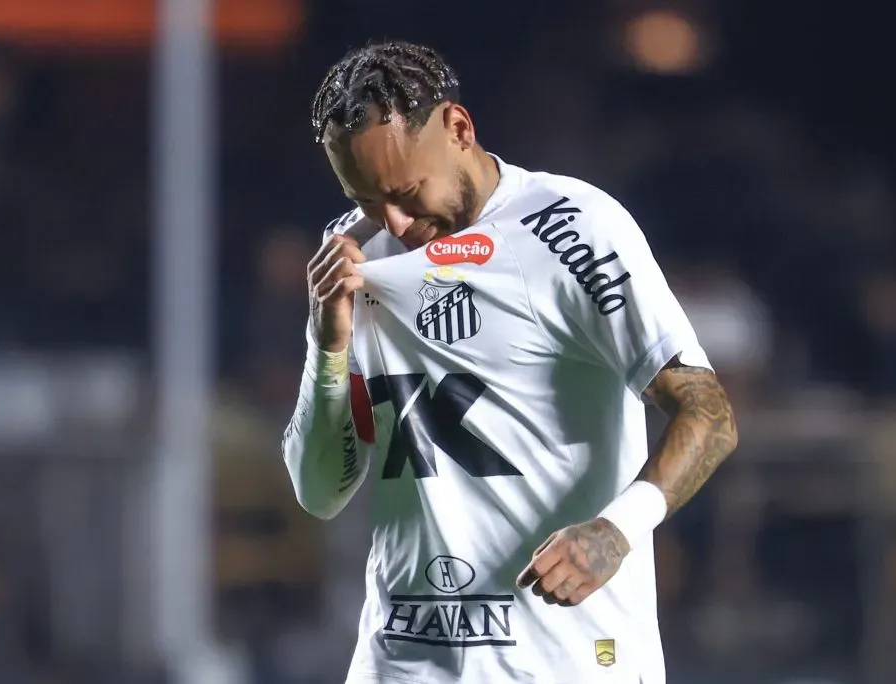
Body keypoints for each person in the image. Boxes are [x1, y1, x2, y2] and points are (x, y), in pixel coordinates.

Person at [281, 40, 738, 684]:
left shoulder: (572, 228)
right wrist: (326, 346)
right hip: (405, 663)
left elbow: (709, 412)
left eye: (408, 191)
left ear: (459, 128)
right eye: (366, 199)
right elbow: (321, 493)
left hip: (566, 662)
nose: (396, 221)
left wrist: (615, 530)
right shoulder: (357, 255)